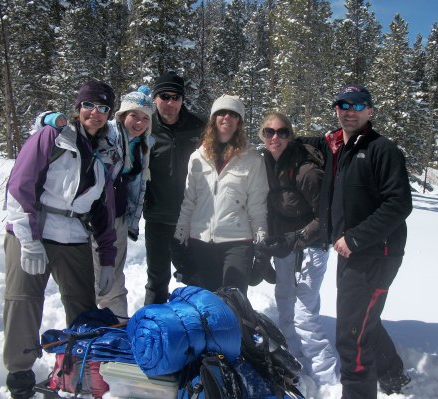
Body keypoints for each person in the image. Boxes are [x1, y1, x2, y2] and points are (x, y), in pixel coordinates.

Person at [3, 80, 117, 399]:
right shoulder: (51, 137)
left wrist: (107, 260)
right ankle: (21, 377)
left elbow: (104, 211)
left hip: (73, 235)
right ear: (78, 108)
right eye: (89, 105)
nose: (95, 113)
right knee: (24, 301)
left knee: (82, 306)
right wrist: (28, 239)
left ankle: (75, 369)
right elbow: (20, 185)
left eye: (103, 107)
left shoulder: (105, 153)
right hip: (33, 230)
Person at [302, 84, 412, 398]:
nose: (349, 110)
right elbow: (302, 143)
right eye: (343, 104)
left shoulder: (381, 150)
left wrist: (355, 238)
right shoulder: (337, 147)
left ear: (370, 111)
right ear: (336, 109)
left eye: (358, 104)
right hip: (352, 252)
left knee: (351, 336)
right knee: (364, 319)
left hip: (375, 253)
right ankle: (393, 376)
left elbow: (399, 203)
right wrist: (275, 138)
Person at [36, 86, 156, 320]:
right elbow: (65, 131)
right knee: (93, 279)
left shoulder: (142, 144)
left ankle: (112, 328)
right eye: (133, 115)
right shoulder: (106, 132)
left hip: (117, 218)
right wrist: (47, 118)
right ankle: (100, 329)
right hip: (91, 217)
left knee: (111, 276)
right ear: (121, 115)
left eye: (144, 118)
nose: (138, 122)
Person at [256, 112, 339, 391]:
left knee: (304, 310)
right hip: (284, 241)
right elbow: (268, 209)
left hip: (313, 242)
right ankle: (294, 356)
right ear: (262, 135)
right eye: (269, 132)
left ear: (290, 135)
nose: (275, 137)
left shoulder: (305, 170)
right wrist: (265, 252)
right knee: (284, 298)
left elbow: (325, 217)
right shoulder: (265, 163)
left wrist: (299, 237)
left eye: (281, 132)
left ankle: (327, 378)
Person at [174, 95, 268, 294]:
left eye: (233, 114)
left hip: (238, 242)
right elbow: (189, 201)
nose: (227, 117)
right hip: (201, 241)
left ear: (239, 121)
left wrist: (261, 246)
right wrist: (179, 237)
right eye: (221, 113)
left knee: (234, 302)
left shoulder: (252, 158)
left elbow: (257, 205)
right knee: (207, 303)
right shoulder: (197, 157)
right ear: (213, 118)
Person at [143, 71, 205, 305]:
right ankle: (153, 328)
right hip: (158, 217)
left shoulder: (198, 126)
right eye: (164, 96)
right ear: (155, 98)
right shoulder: (146, 125)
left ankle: (199, 327)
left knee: (195, 276)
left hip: (192, 218)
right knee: (157, 280)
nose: (170, 103)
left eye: (176, 97)